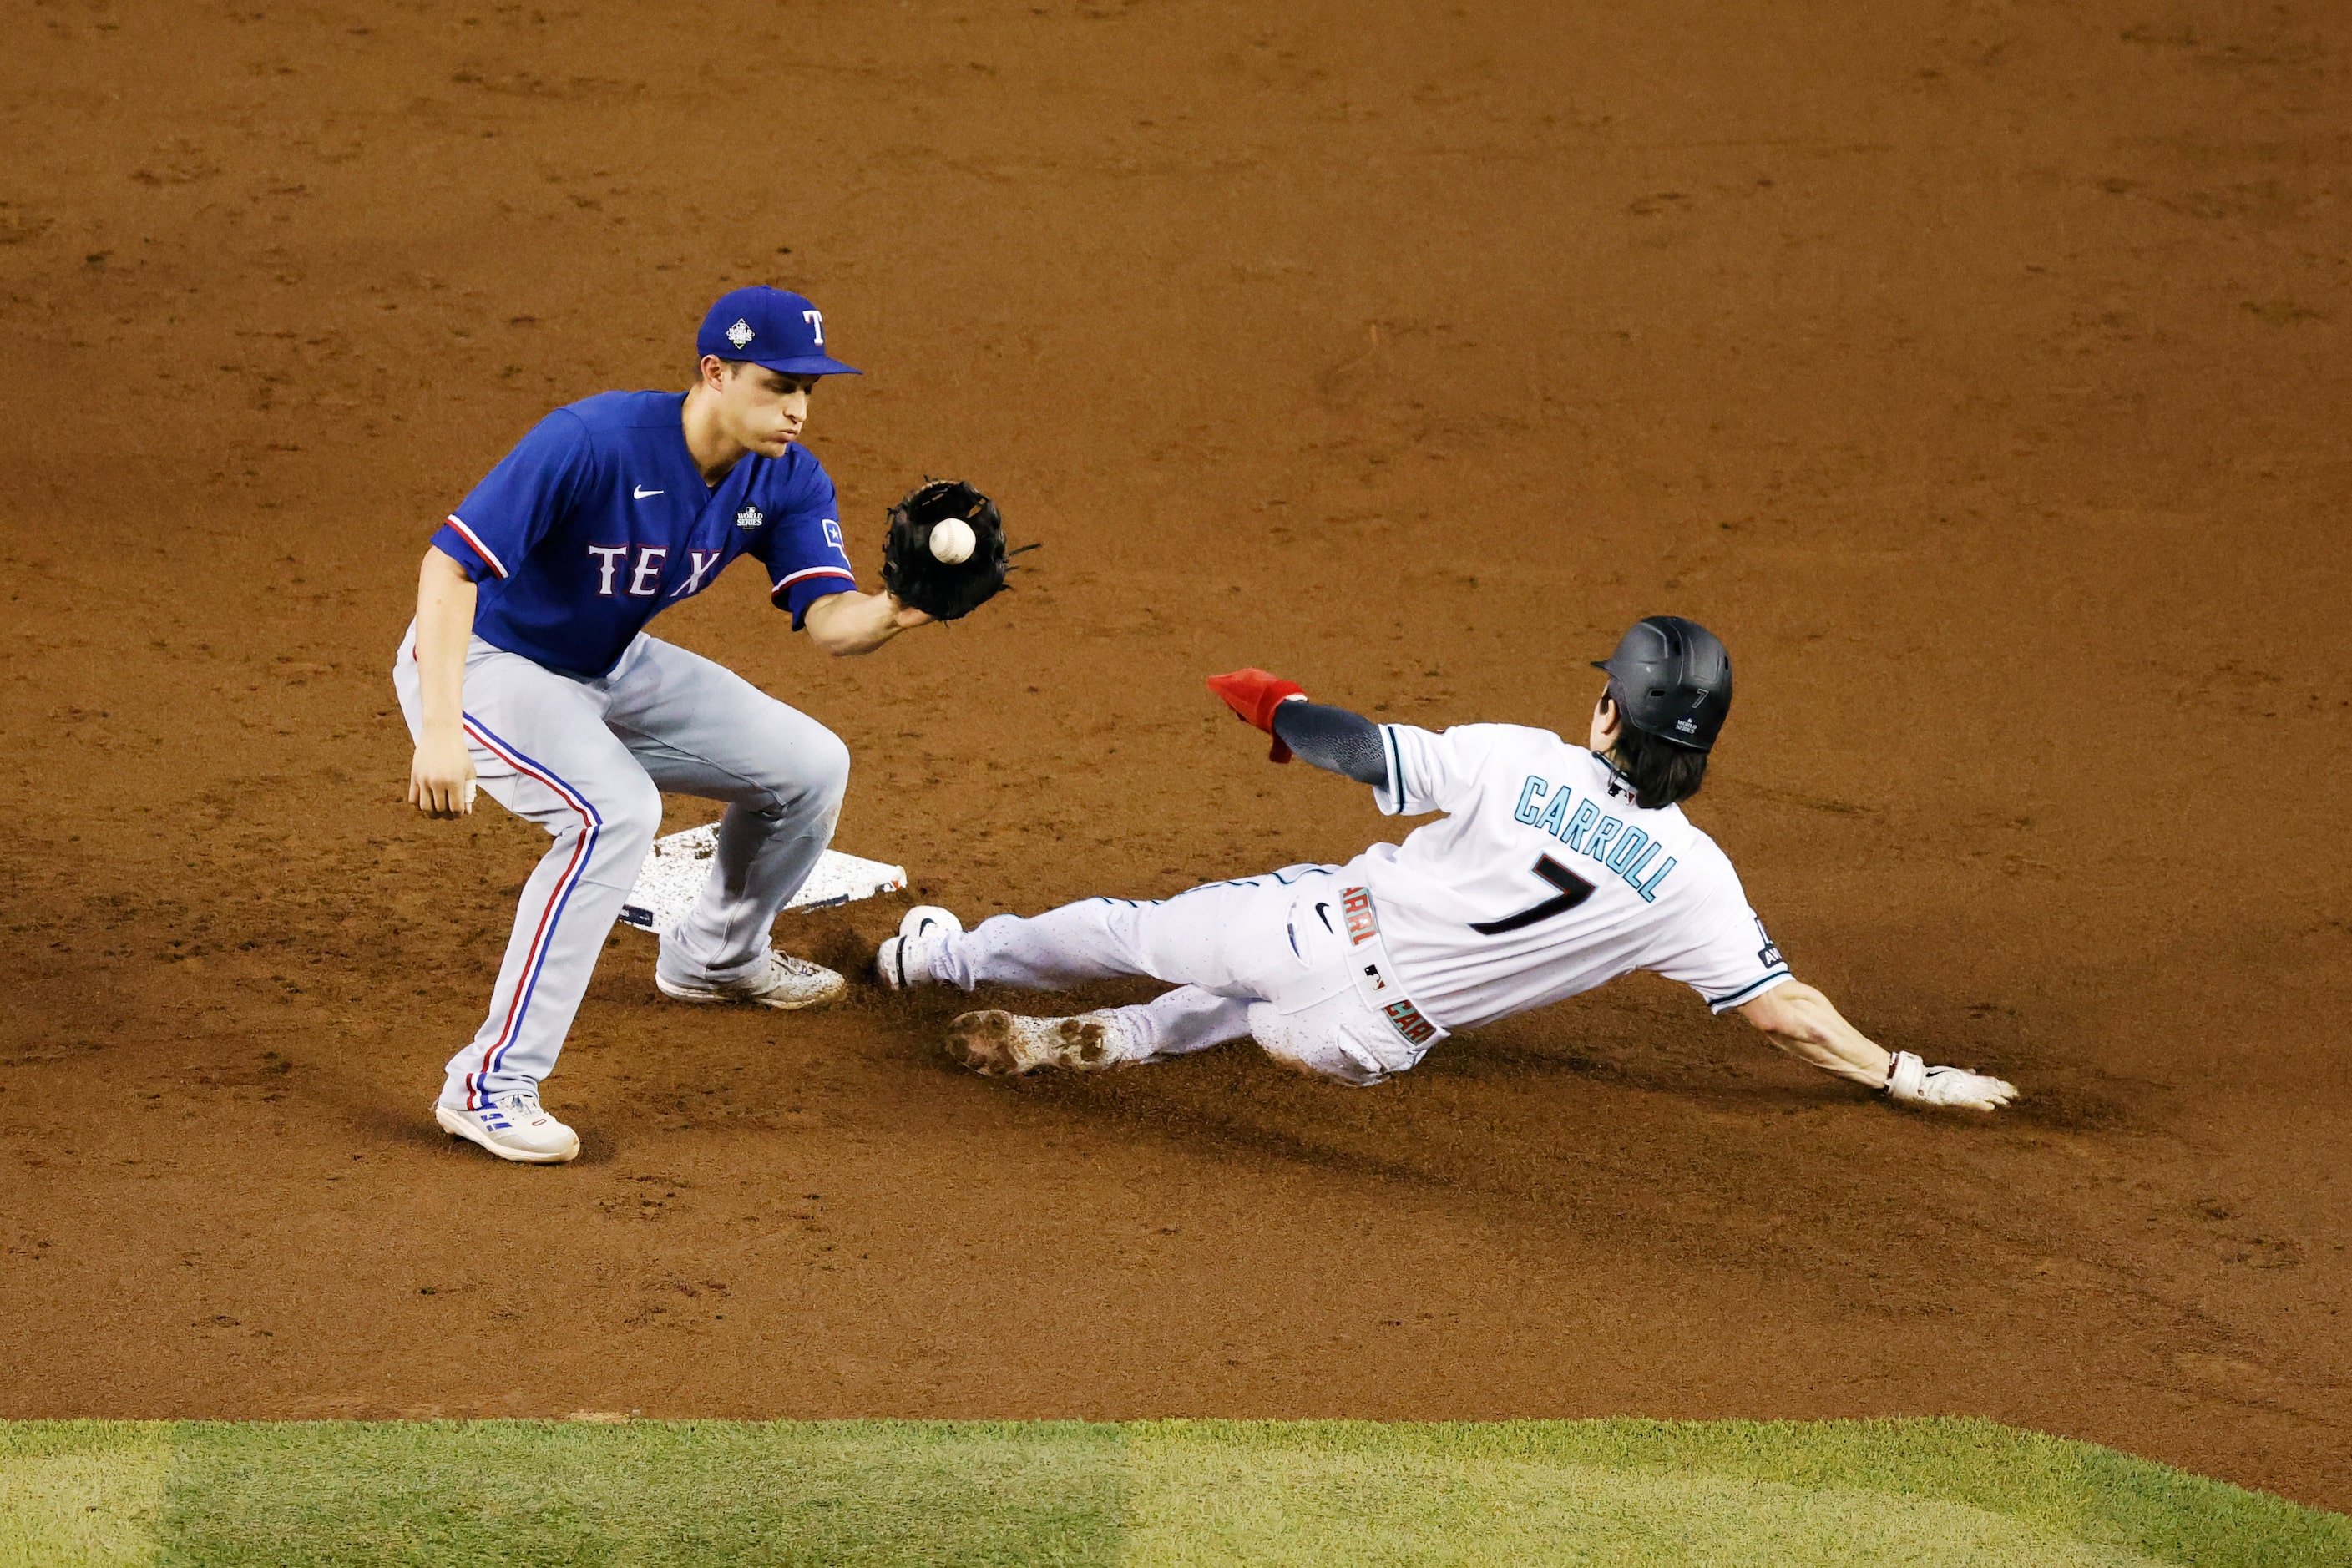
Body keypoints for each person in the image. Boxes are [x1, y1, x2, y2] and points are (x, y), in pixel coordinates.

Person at [877, 617, 2018, 1112]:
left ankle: (944, 961)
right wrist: (1900, 1071)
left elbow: (1356, 748)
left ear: (1609, 711)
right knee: (1278, 998)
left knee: (1142, 928)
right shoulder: (1695, 880)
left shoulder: (1519, 762)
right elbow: (1784, 1012)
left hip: (1315, 936)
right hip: (1358, 1048)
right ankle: (1128, 1036)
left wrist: (1282, 707)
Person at [397, 286, 936, 1164]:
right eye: (776, 385)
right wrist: (442, 728)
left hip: (607, 665)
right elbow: (450, 568)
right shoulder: (593, 441)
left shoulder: (788, 476)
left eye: (810, 389)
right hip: (486, 663)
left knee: (810, 765)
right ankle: (486, 1086)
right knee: (613, 814)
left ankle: (718, 957)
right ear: (714, 373)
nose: (797, 408)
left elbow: (832, 624)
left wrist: (896, 610)